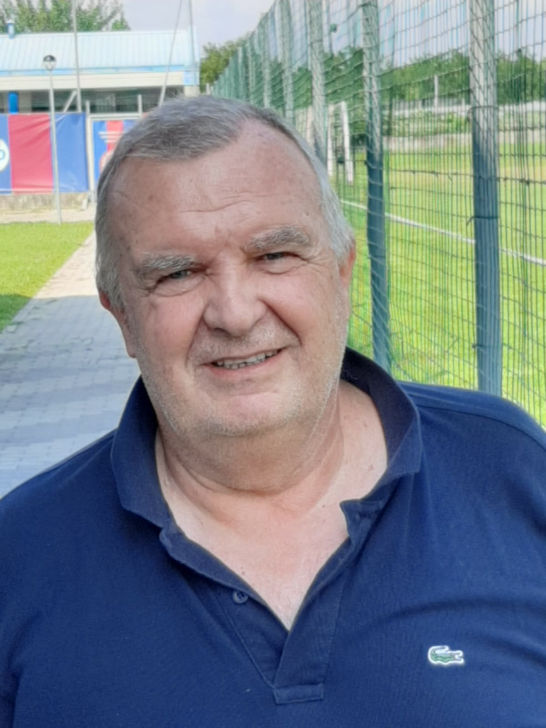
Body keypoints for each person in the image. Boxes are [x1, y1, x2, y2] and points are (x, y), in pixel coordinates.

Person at [1, 96, 545, 727]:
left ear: (342, 271)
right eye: (177, 273)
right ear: (121, 314)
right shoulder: (21, 556)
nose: (234, 314)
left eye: (274, 255)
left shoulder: (509, 470)